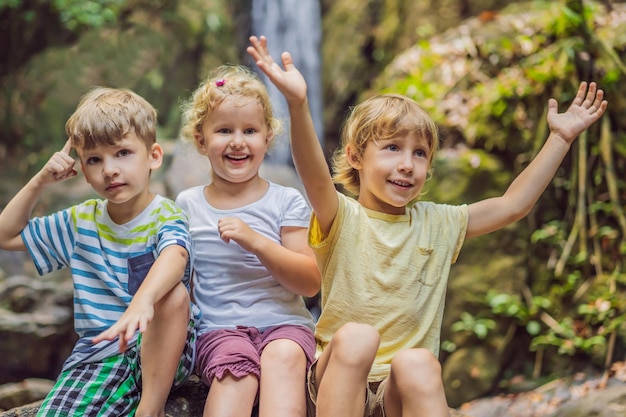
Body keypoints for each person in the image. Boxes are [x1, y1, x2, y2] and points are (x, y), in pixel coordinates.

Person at [247, 35, 608, 417]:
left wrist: (560, 138)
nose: (407, 164)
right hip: (337, 381)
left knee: (417, 361)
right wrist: (298, 105)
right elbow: (315, 177)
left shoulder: (439, 222)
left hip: (397, 395)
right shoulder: (341, 215)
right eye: (392, 148)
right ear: (354, 156)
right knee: (357, 337)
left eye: (419, 153)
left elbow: (511, 205)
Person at [0, 87, 199, 417]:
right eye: (95, 159)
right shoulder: (80, 222)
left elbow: (175, 257)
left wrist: (142, 303)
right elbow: (5, 236)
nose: (109, 169)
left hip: (161, 347)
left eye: (122, 153)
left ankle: (150, 410)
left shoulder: (166, 214)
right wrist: (40, 181)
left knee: (172, 296)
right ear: (81, 168)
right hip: (98, 357)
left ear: (154, 156)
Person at [175, 64, 321, 417]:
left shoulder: (286, 200)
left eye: (250, 130)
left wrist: (256, 241)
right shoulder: (187, 205)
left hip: (285, 325)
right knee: (236, 377)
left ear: (267, 138)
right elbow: (184, 287)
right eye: (224, 130)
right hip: (219, 330)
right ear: (201, 139)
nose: (238, 141)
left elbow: (310, 282)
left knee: (283, 357)